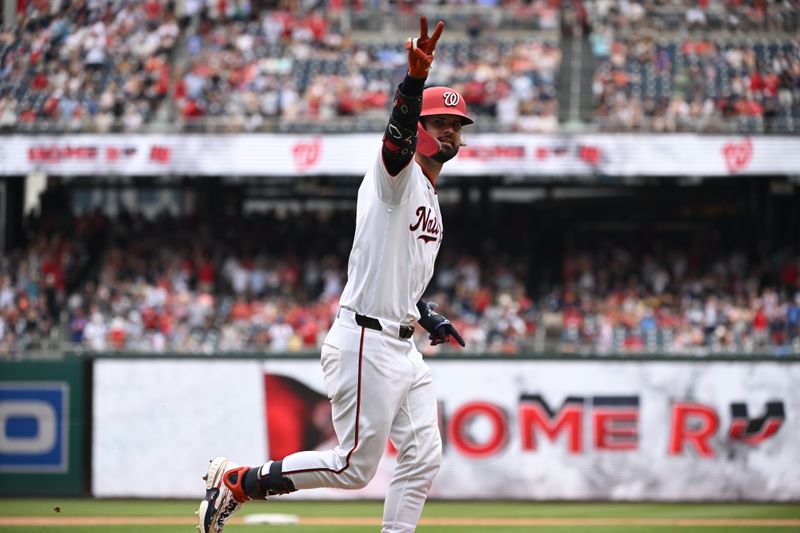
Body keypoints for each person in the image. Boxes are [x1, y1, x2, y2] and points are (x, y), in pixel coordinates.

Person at [196, 17, 470, 533]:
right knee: (353, 467)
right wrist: (412, 87)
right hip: (365, 339)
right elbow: (395, 142)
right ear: (420, 130)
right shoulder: (398, 176)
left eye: (457, 125)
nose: (453, 131)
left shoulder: (428, 194)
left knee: (424, 455)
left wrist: (428, 315)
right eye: (444, 123)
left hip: (399, 341)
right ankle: (240, 481)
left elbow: (399, 268)